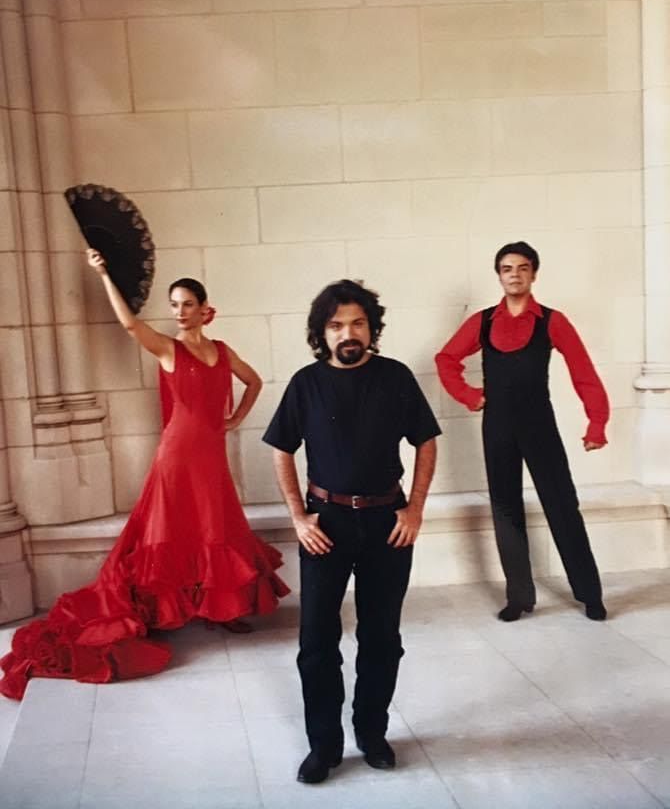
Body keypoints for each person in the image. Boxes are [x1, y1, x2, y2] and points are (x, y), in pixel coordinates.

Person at [0, 250, 289, 701]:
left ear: (204, 308)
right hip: (176, 456)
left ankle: (223, 609)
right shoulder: (169, 348)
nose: (179, 312)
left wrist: (235, 419)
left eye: (187, 304)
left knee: (215, 526)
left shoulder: (221, 350)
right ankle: (164, 611)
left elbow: (254, 382)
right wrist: (104, 274)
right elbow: (131, 325)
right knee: (169, 530)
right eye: (174, 305)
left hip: (211, 456)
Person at [263, 279, 440, 784]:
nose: (348, 332)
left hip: (388, 523)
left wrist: (415, 509)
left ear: (371, 327)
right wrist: (298, 517)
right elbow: (281, 449)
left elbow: (426, 441)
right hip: (327, 523)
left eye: (358, 323)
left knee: (381, 637)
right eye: (337, 324)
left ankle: (372, 733)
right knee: (317, 641)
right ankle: (324, 746)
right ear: (322, 332)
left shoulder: (396, 377)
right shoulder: (306, 383)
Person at [435, 240, 609, 624]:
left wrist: (596, 422)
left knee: (562, 506)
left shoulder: (552, 321)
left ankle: (590, 595)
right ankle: (519, 597)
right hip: (497, 427)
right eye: (507, 269)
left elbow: (583, 371)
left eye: (522, 268)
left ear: (534, 274)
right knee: (505, 509)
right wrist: (469, 395)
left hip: (538, 424)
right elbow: (445, 359)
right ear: (499, 276)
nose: (515, 275)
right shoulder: (482, 322)